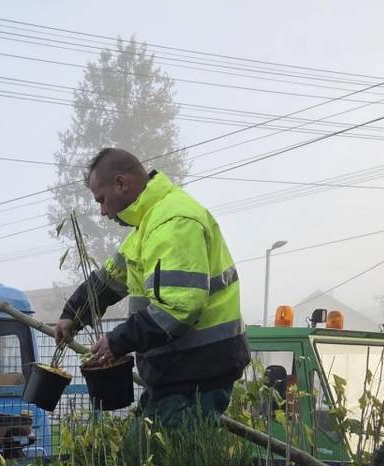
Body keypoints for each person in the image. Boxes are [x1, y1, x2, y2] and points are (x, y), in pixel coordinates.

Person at [56, 148, 249, 426]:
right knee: (144, 454)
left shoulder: (173, 222)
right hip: (180, 371)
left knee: (165, 460)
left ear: (121, 183)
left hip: (196, 373)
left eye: (101, 200)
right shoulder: (149, 224)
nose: (102, 211)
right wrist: (72, 314)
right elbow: (110, 279)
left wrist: (116, 342)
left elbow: (178, 308)